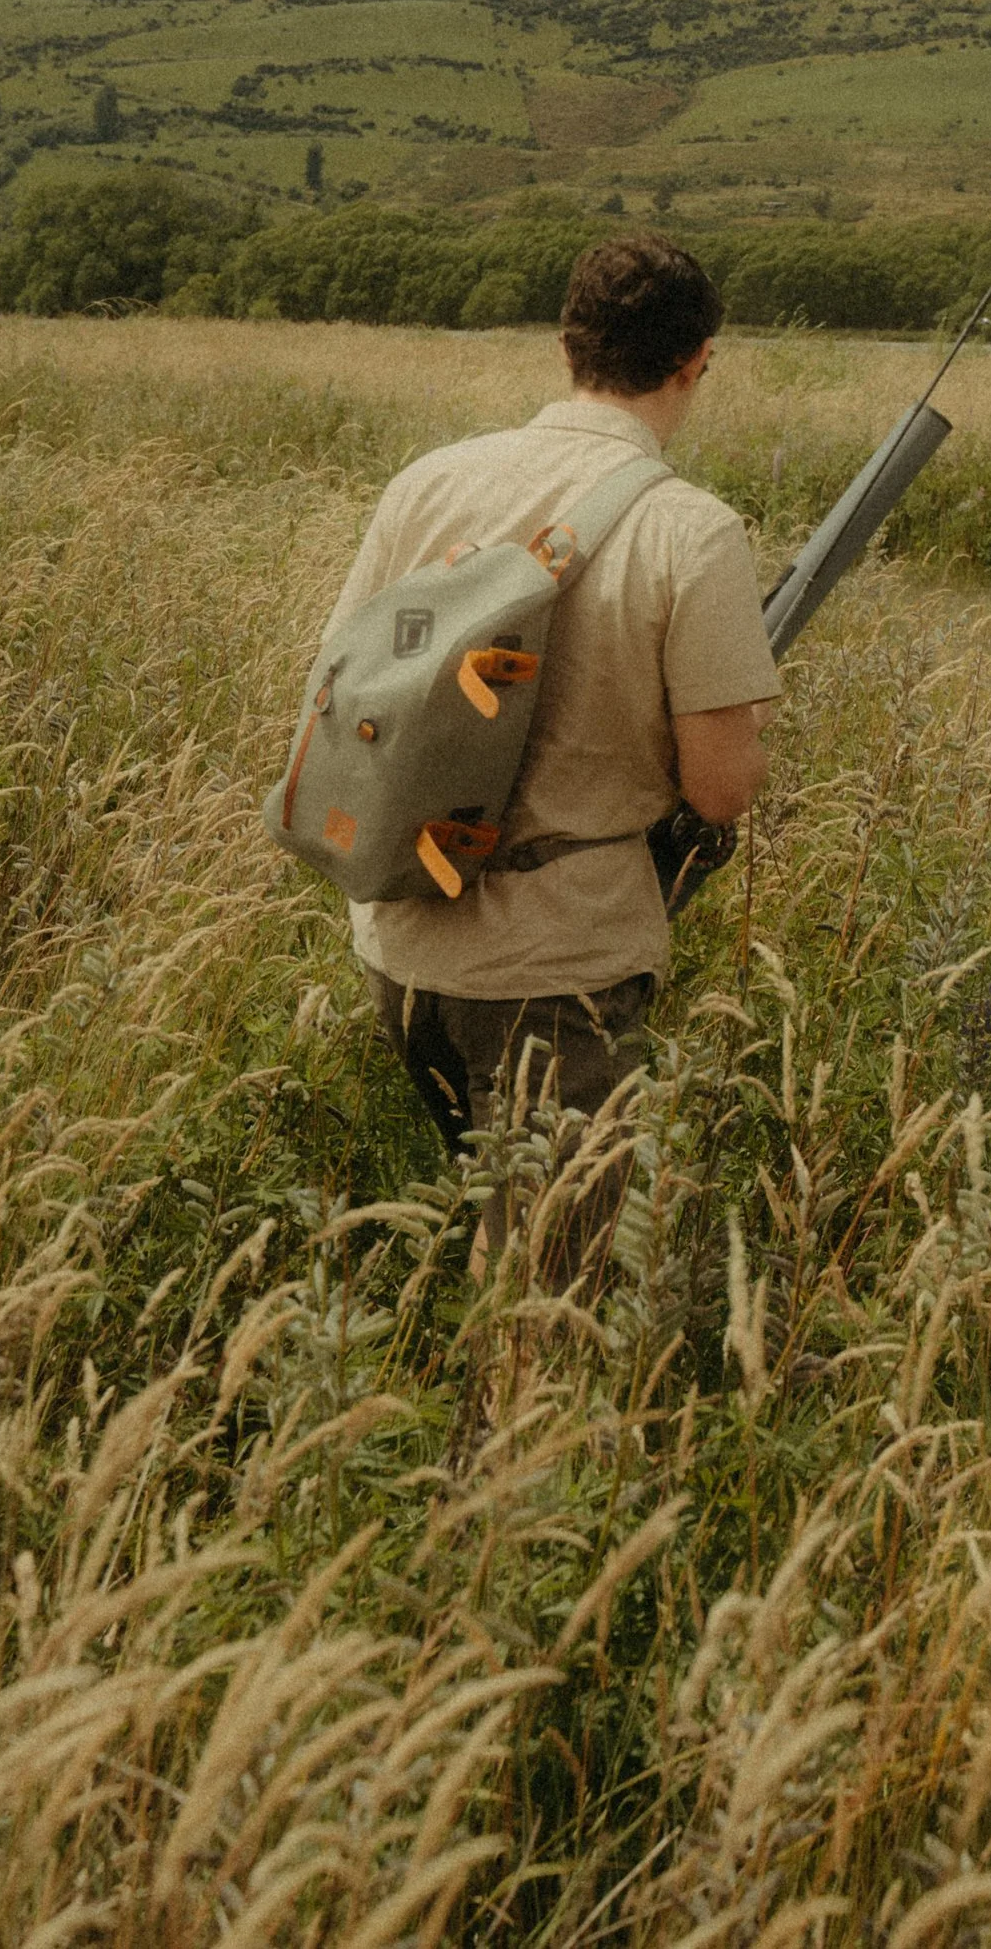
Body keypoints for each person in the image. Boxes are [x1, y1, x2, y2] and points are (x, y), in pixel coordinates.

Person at [323, 230, 776, 1294]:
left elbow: (341, 691)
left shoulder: (427, 483)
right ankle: (502, 1451)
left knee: (504, 1229)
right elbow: (720, 790)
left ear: (566, 346)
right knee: (557, 1287)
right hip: (551, 969)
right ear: (695, 361)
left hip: (401, 949)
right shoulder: (690, 532)